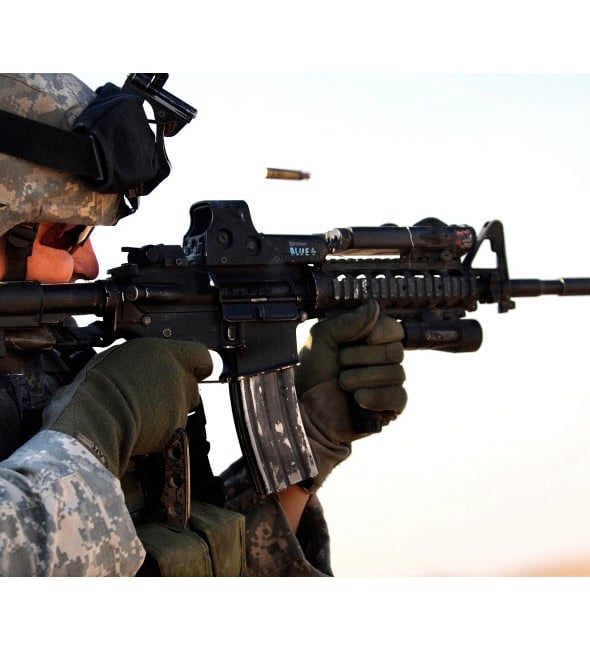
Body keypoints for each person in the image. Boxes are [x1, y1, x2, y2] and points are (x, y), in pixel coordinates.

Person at [0, 73, 408, 576]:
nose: (88, 265)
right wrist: (95, 432)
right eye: (71, 233)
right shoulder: (93, 399)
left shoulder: (53, 362)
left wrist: (314, 433)